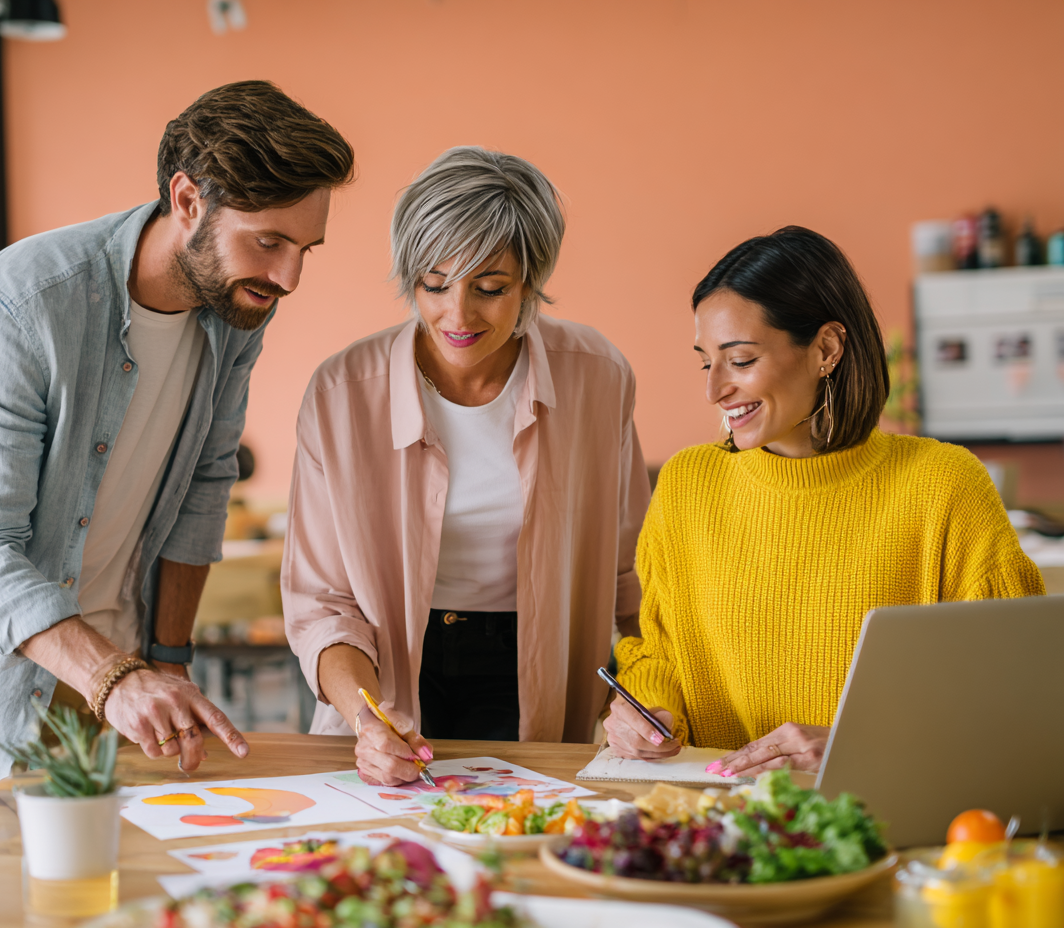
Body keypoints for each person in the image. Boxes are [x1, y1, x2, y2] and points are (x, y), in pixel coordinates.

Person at [0, 81, 354, 787]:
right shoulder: (22, 304)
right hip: (7, 649)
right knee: (25, 872)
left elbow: (205, 483)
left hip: (129, 651)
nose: (287, 275)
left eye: (304, 248)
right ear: (187, 200)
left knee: (132, 870)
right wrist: (114, 676)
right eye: (268, 242)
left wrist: (165, 658)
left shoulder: (237, 308)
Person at [605, 226, 1044, 777]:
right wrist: (643, 714)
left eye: (739, 361)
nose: (714, 389)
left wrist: (861, 745)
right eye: (705, 362)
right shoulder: (688, 484)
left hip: (881, 819)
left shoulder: (944, 484)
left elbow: (1015, 692)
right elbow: (663, 654)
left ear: (827, 349)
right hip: (716, 823)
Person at [282, 147, 650, 787]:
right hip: (386, 675)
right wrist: (368, 721)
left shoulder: (597, 375)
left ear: (531, 282)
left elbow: (634, 577)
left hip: (539, 668)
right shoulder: (342, 393)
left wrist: (649, 695)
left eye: (490, 288)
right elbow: (322, 604)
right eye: (434, 285)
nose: (458, 315)